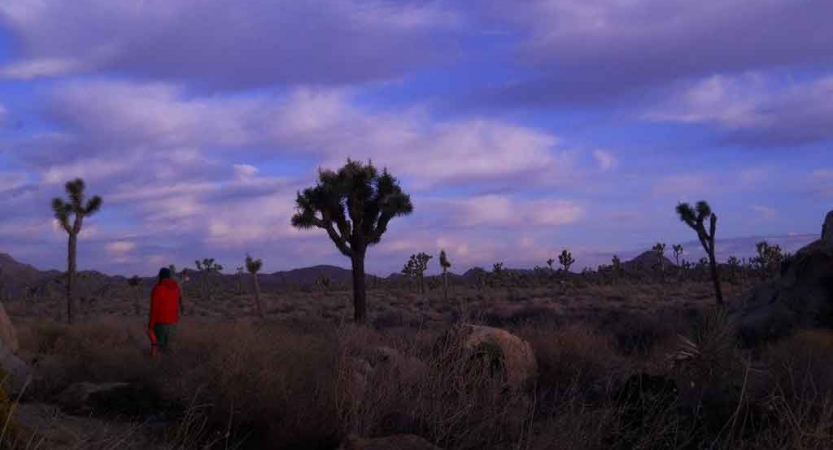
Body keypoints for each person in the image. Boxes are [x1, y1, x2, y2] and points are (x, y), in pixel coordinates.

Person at [148, 267, 181, 357]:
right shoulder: (176, 289)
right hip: (173, 323)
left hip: (160, 323)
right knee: (171, 351)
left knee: (158, 349)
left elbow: (154, 309)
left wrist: (151, 325)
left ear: (160, 276)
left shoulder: (158, 289)